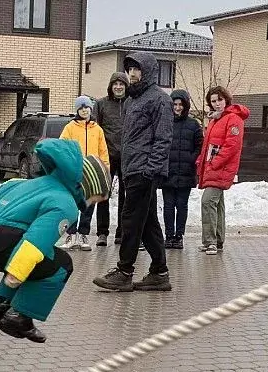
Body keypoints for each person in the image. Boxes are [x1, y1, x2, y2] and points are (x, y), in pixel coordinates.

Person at [0, 140, 110, 342]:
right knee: (60, 264)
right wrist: (16, 274)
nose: (91, 205)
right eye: (96, 199)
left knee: (29, 256)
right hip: (0, 240)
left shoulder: (28, 182)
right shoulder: (65, 203)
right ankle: (21, 316)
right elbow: (36, 241)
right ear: (89, 187)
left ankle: (0, 303)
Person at [92, 52, 173, 292]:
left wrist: (151, 168)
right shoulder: (131, 100)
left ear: (147, 71)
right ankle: (159, 272)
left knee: (130, 220)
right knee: (147, 222)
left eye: (137, 69)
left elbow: (164, 138)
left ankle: (124, 271)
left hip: (144, 170)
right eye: (129, 70)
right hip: (131, 168)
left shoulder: (160, 100)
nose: (132, 74)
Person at [196, 86, 249, 255]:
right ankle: (217, 240)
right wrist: (202, 161)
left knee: (208, 201)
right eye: (213, 101)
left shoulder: (233, 119)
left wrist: (216, 162)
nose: (217, 103)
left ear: (226, 99)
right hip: (213, 167)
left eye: (219, 99)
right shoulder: (215, 120)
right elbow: (208, 145)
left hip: (220, 167)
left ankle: (210, 242)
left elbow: (232, 145)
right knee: (217, 205)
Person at [58, 95, 109, 251]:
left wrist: (105, 169)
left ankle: (83, 235)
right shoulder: (70, 128)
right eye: (81, 107)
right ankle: (71, 235)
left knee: (88, 206)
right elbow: (62, 148)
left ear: (90, 109)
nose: (84, 110)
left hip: (91, 173)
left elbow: (103, 151)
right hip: (74, 173)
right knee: (72, 204)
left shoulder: (97, 129)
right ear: (77, 110)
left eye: (86, 107)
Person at [161, 89, 202, 249]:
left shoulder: (193, 124)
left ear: (185, 106)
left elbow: (200, 145)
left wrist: (192, 158)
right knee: (169, 205)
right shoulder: (165, 122)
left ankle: (179, 236)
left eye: (180, 104)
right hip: (168, 171)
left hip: (185, 172)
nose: (177, 108)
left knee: (181, 205)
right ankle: (169, 235)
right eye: (175, 104)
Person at [93, 72, 129, 246]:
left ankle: (121, 232)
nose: (118, 87)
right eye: (115, 84)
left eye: (121, 84)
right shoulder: (101, 104)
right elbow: (95, 129)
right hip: (106, 156)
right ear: (110, 86)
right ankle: (102, 232)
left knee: (125, 196)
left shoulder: (132, 103)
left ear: (126, 86)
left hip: (127, 157)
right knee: (103, 194)